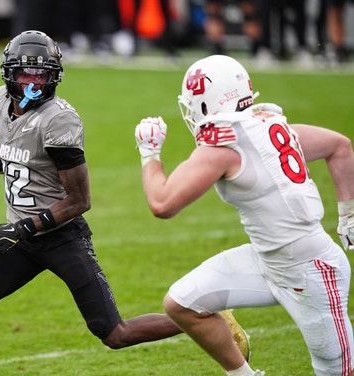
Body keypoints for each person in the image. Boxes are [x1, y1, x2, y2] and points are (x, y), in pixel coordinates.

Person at [0, 30, 249, 375]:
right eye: (25, 73)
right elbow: (18, 162)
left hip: (61, 237)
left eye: (41, 74)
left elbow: (79, 199)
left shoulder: (58, 120)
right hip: (19, 237)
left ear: (54, 77)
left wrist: (23, 227)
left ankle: (207, 319)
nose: (33, 81)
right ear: (9, 74)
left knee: (115, 334)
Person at [134, 54, 354, 376]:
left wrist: (149, 152)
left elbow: (162, 203)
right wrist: (347, 214)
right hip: (268, 260)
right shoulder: (268, 124)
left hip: (312, 271)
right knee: (181, 303)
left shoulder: (223, 147)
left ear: (205, 104)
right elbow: (340, 146)